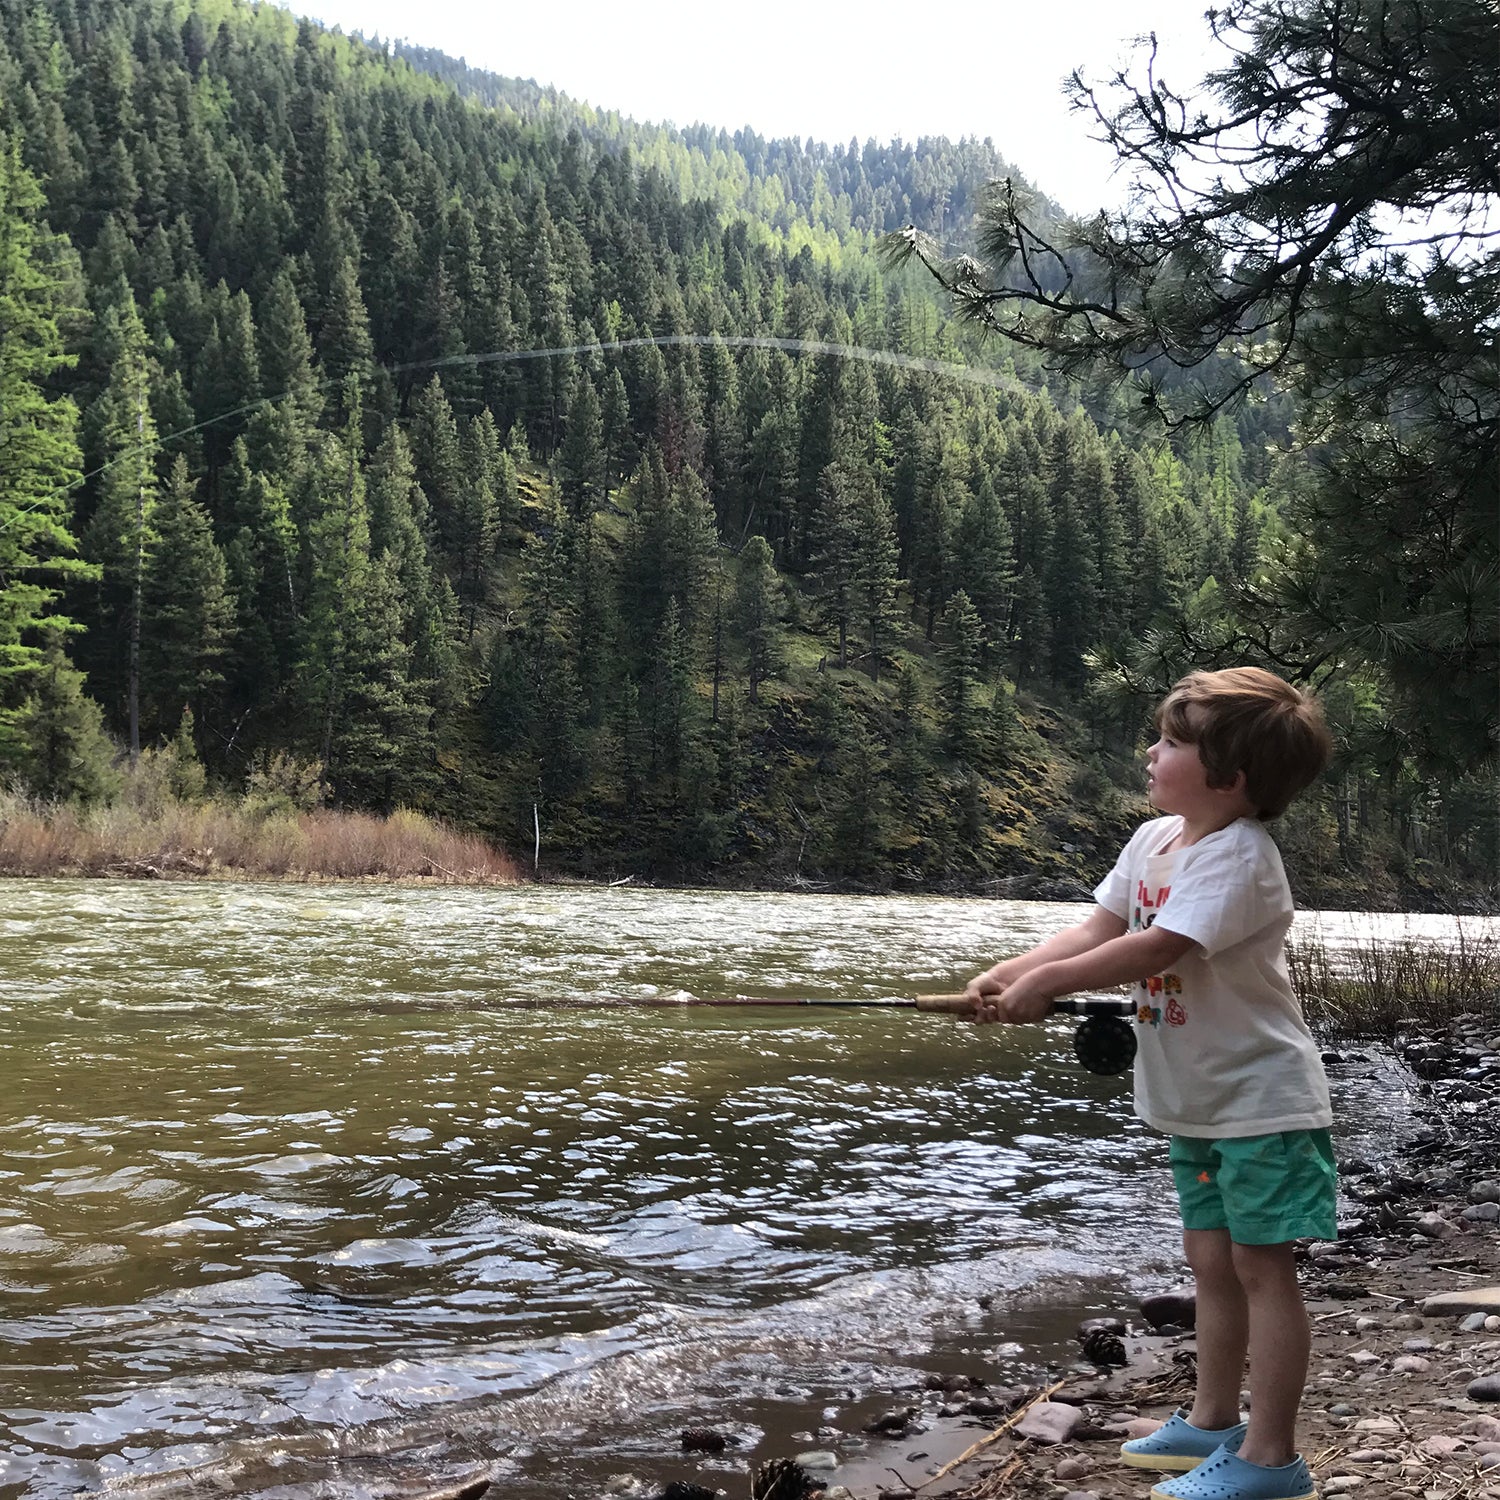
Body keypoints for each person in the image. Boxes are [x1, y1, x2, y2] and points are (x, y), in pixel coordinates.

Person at [966, 667, 1334, 1500]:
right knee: (1208, 1260)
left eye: (1172, 742)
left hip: (1262, 1100)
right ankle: (1211, 1422)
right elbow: (1099, 926)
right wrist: (1012, 972)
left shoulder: (1240, 857)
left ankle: (1272, 1458)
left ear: (1229, 777)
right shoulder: (1152, 843)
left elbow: (1155, 947)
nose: (1151, 751)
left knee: (1260, 1267)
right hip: (1196, 1103)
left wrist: (1048, 991)